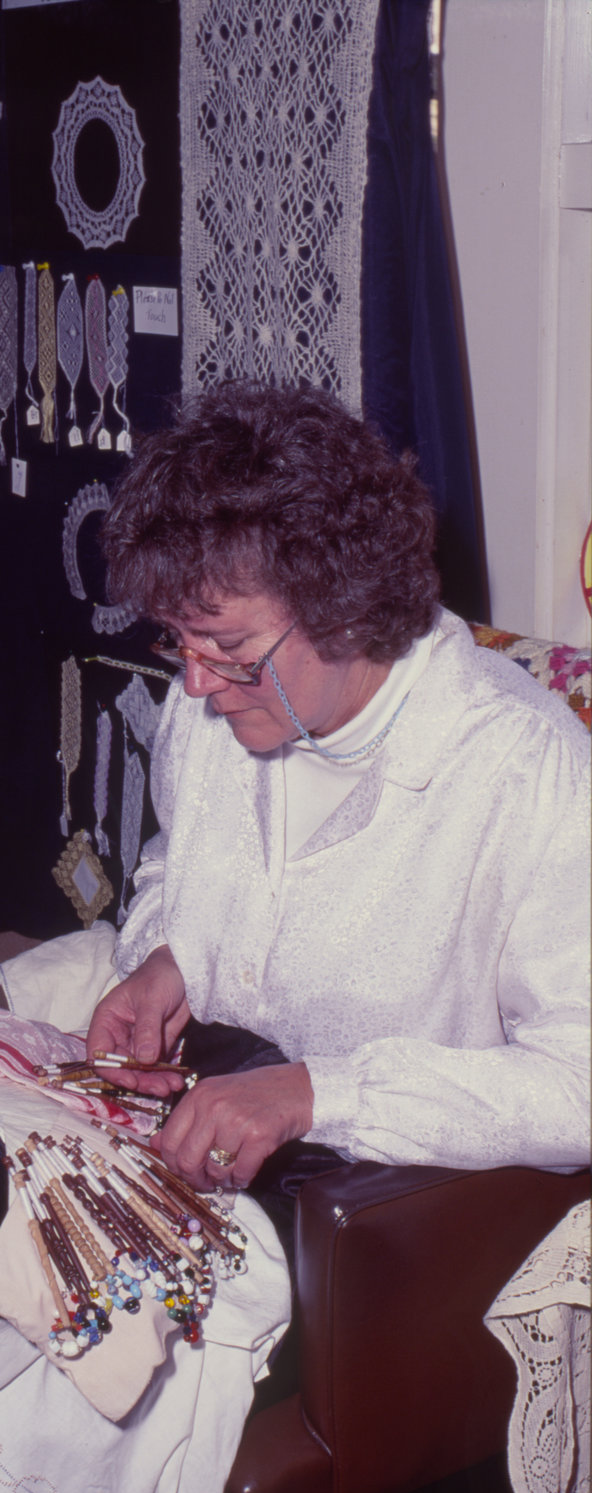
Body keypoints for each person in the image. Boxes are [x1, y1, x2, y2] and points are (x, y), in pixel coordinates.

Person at [87, 380, 590, 1208]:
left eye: (228, 646)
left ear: (346, 609)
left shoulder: (523, 771)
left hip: (397, 1219)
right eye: (178, 640)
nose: (195, 682)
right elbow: (171, 866)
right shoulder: (207, 708)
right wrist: (169, 961)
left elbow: (582, 1086)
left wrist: (320, 1094)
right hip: (213, 1152)